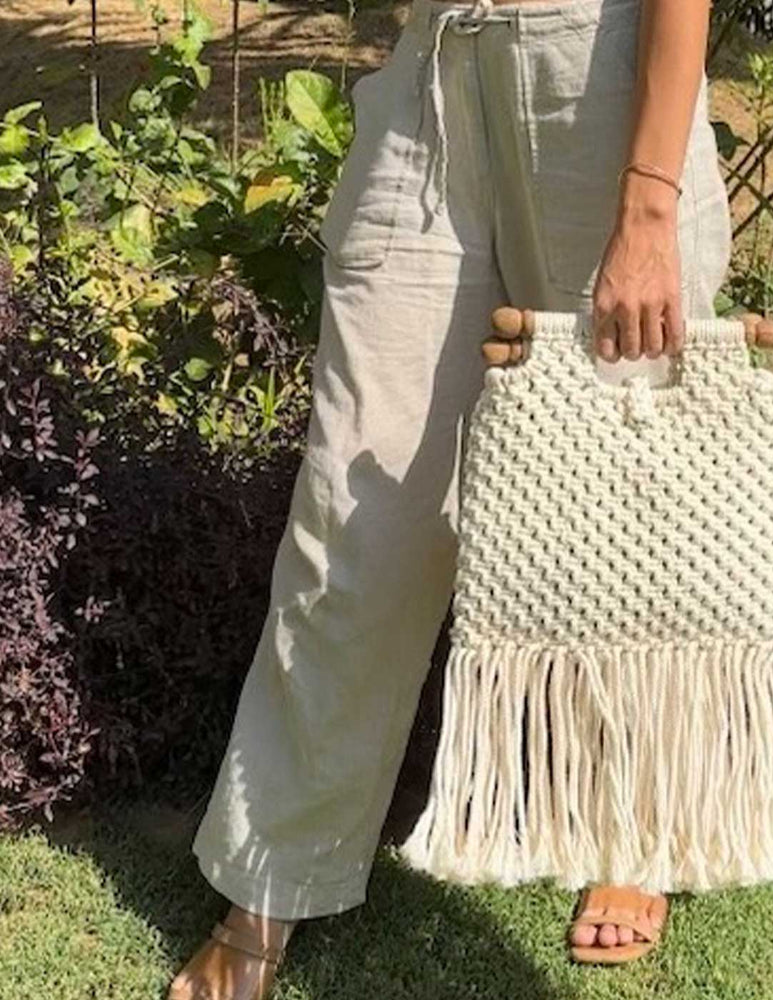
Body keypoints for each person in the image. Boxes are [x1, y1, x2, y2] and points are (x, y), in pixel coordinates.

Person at [169, 0, 731, 995]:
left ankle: (633, 828)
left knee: (623, 497)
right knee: (353, 503)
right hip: (432, 76)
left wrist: (649, 208)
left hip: (596, 80)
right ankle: (274, 872)